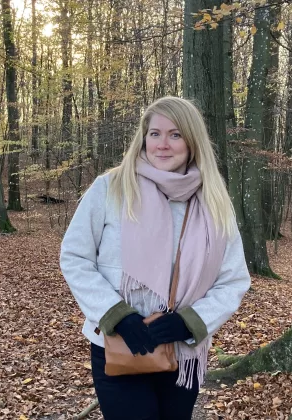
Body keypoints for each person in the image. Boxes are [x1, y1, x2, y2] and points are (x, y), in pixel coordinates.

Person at [59, 97, 251, 420]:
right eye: (155, 134)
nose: (163, 144)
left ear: (192, 142)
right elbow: (75, 257)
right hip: (118, 344)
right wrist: (116, 315)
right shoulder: (111, 188)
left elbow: (233, 280)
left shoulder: (214, 202)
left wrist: (188, 323)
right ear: (143, 138)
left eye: (175, 135)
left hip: (181, 353)